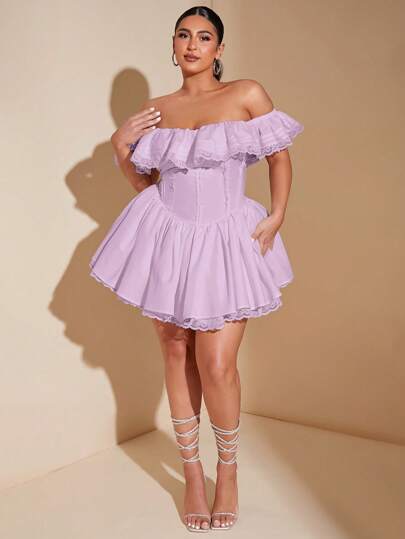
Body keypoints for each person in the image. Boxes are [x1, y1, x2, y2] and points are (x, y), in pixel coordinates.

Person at [89, 5, 304, 533]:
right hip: (168, 238)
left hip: (227, 238)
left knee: (217, 363)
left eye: (204, 37)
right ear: (173, 45)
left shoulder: (246, 94)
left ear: (219, 49)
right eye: (183, 35)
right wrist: (121, 146)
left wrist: (277, 214)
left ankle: (227, 472)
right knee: (174, 348)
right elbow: (148, 183)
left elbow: (278, 156)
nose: (192, 45)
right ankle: (192, 475)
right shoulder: (157, 111)